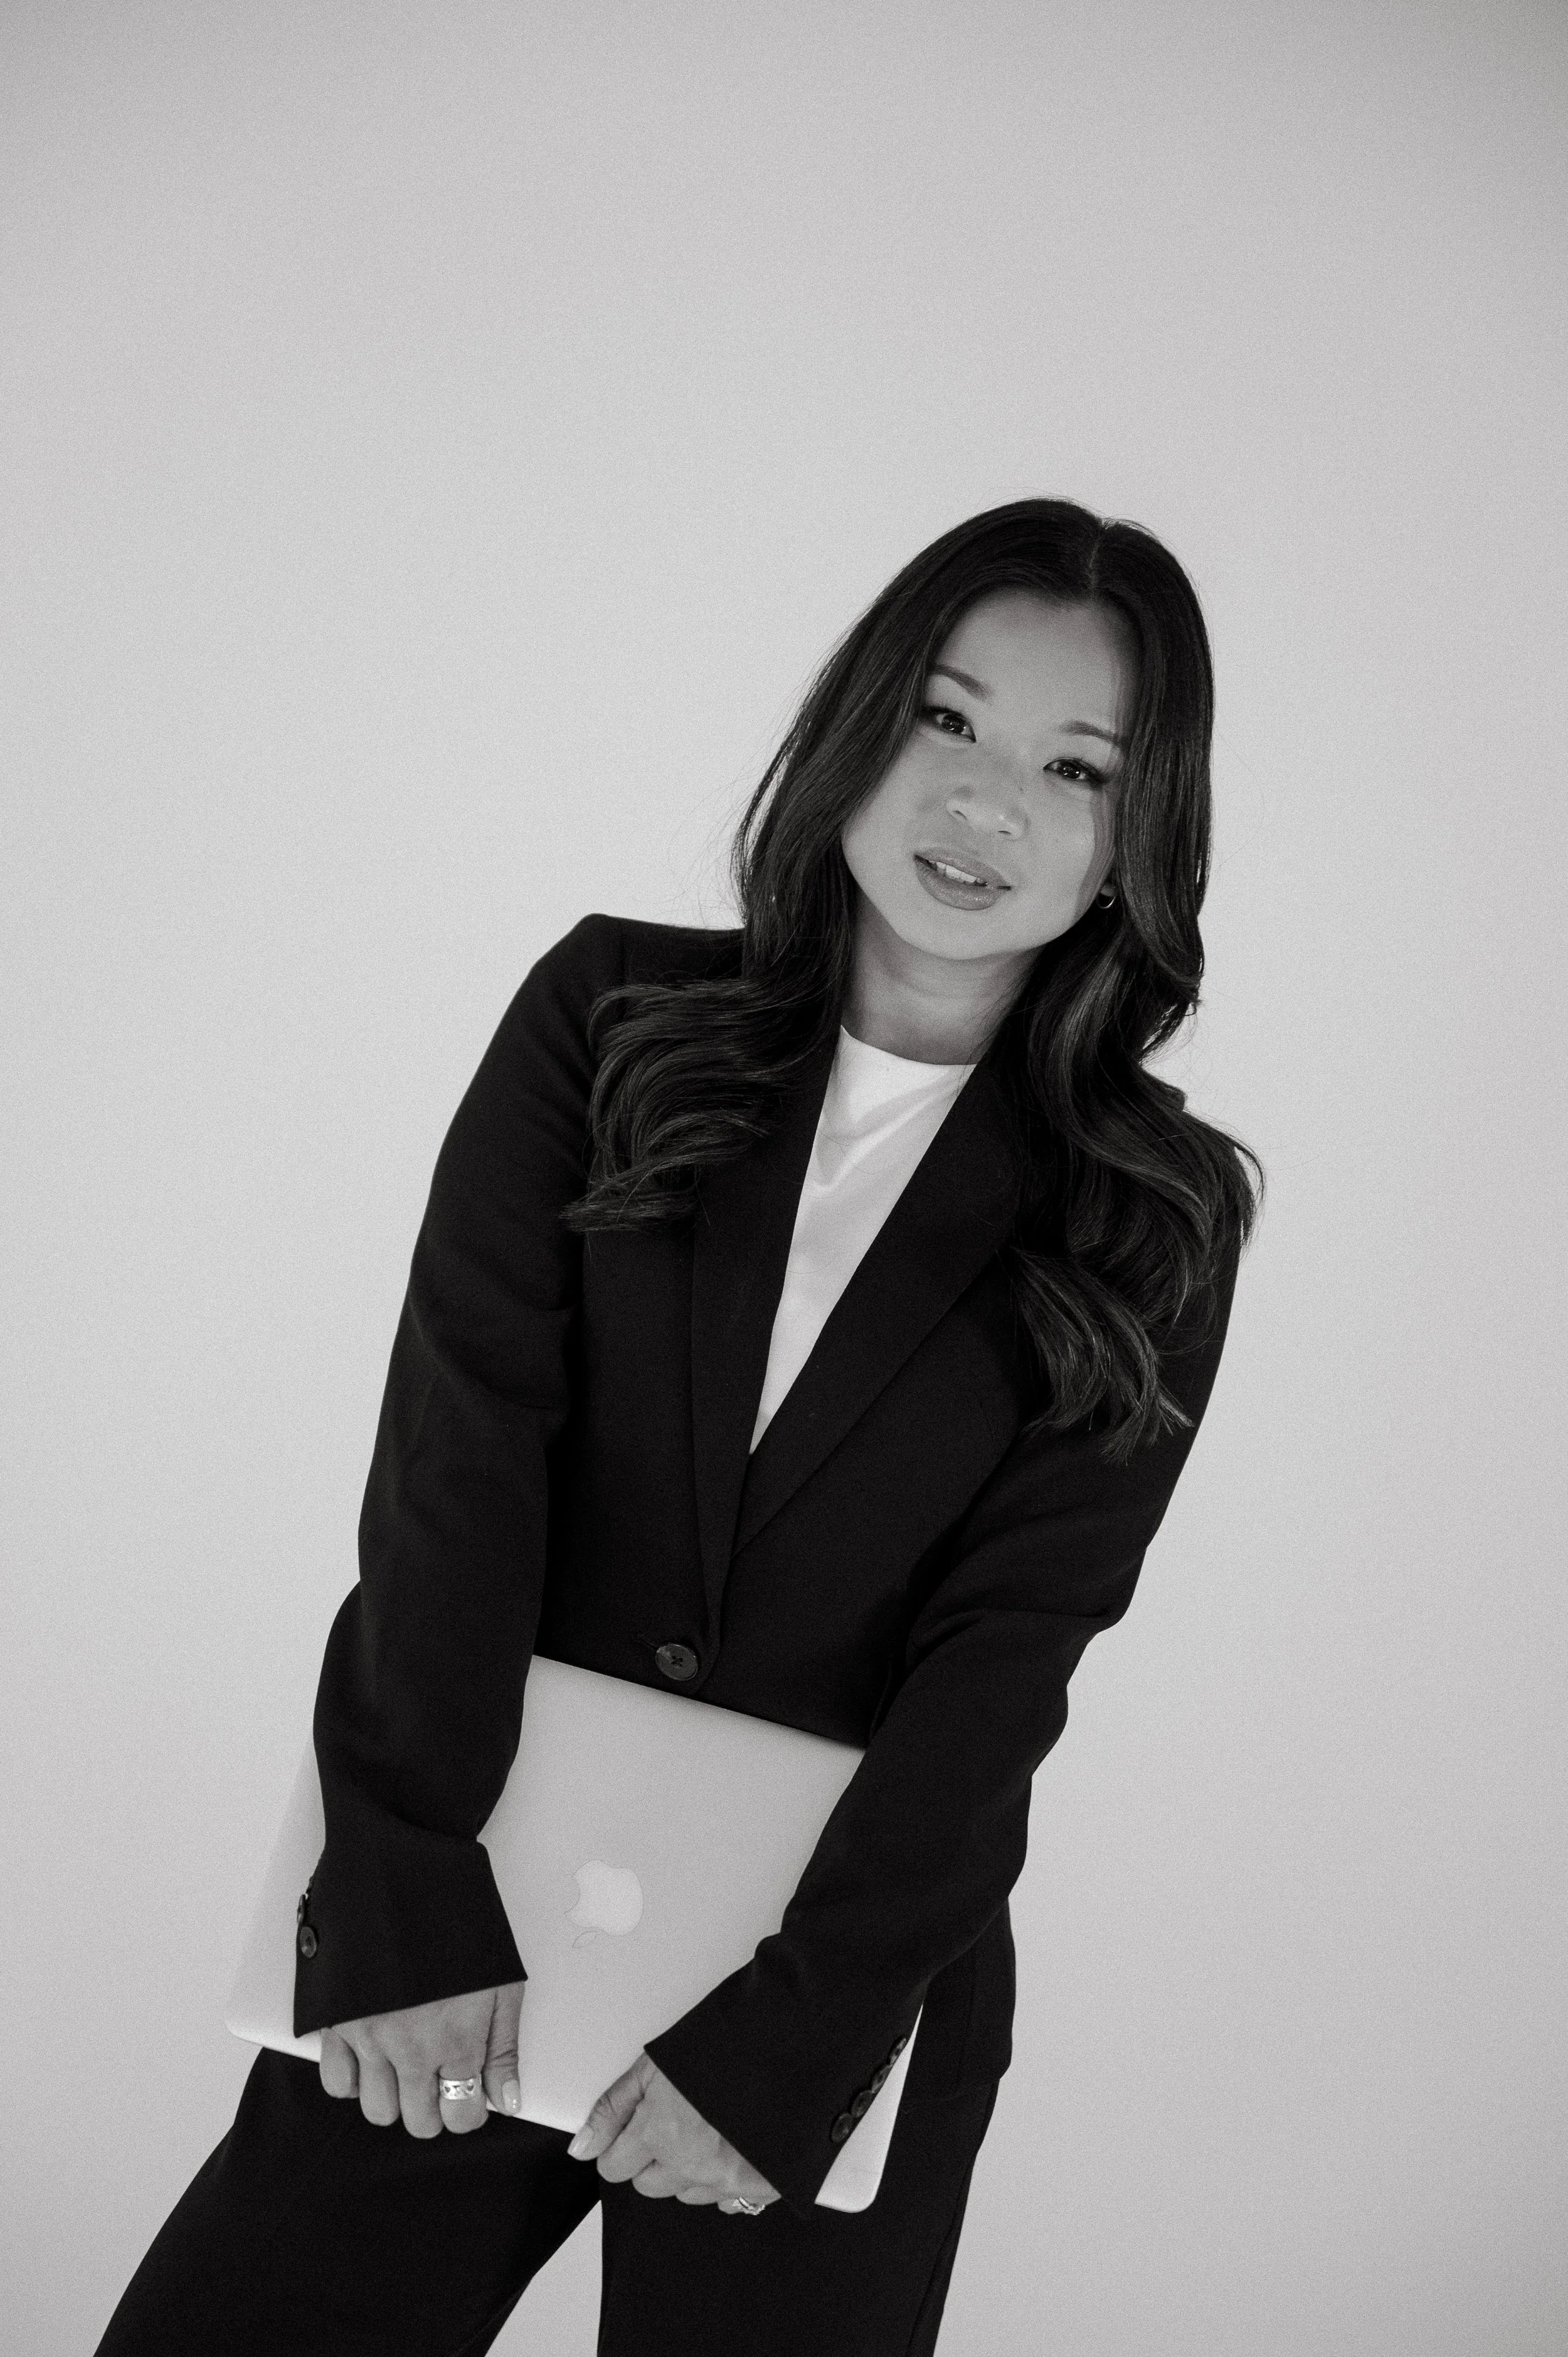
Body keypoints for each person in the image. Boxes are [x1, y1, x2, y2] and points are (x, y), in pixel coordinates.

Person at [97, 497, 1261, 2356]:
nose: (985, 803)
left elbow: (1009, 1653)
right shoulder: (611, 1013)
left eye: (1076, 766)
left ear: (1140, 836)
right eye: (945, 719)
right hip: (468, 1910)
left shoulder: (1155, 1209)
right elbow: (455, 1464)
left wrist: (801, 2037)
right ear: (857, 724)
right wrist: (403, 1885)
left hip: (821, 2001)